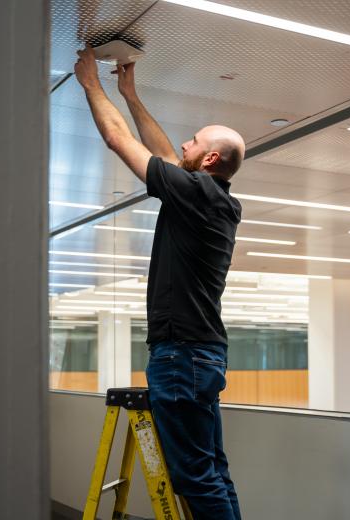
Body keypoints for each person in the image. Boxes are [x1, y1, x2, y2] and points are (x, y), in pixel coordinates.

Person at [74, 46, 244, 519]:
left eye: (194, 141)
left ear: (209, 159)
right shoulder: (212, 199)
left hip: (182, 354)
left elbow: (117, 140)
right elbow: (166, 154)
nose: (183, 145)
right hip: (200, 353)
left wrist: (92, 84)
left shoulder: (196, 194)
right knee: (213, 471)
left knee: (197, 476)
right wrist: (130, 93)